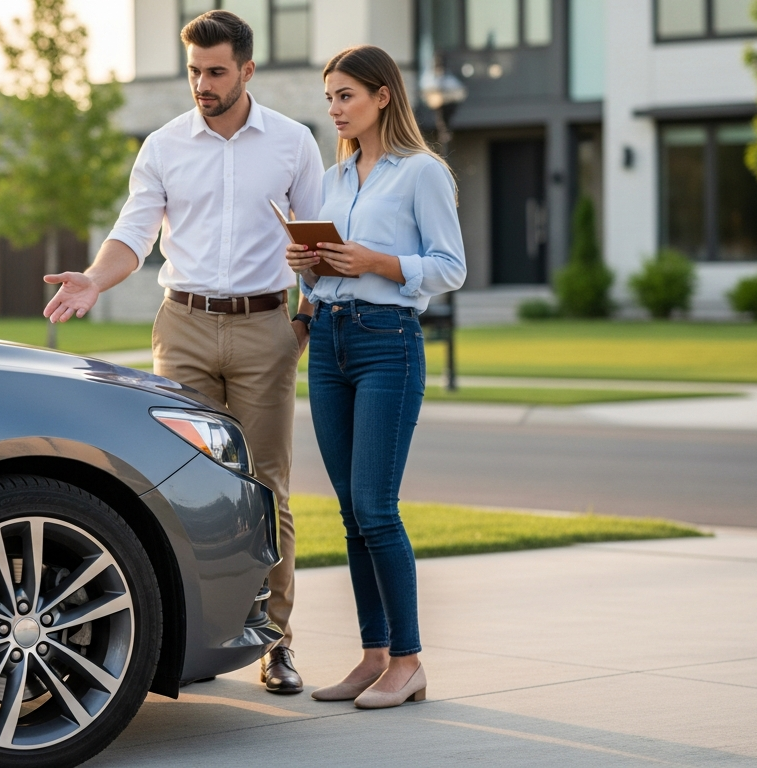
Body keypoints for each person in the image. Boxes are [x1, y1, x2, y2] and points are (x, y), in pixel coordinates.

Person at [42, 10, 322, 694]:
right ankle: (195, 642)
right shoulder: (164, 145)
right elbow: (133, 232)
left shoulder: (293, 143)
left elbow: (318, 239)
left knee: (266, 490)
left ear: (247, 70)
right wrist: (95, 279)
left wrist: (304, 319)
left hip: (263, 328)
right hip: (184, 326)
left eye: (216, 72)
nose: (202, 84)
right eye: (194, 71)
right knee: (180, 488)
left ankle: (276, 643)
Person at [286, 44, 465, 709]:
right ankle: (373, 655)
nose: (335, 109)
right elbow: (326, 273)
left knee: (375, 508)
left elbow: (450, 267)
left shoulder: (422, 172)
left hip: (387, 342)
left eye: (346, 96)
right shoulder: (333, 180)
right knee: (350, 513)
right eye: (329, 98)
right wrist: (307, 267)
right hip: (329, 339)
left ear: (382, 96)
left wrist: (374, 261)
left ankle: (408, 660)